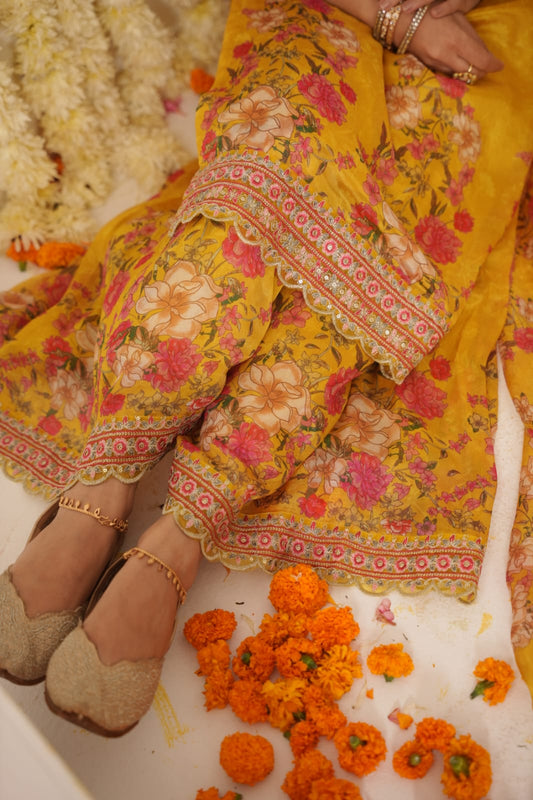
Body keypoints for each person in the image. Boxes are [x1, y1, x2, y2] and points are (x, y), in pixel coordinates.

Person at [0, 0, 532, 736]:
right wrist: (396, 18)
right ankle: (106, 478)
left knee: (405, 220)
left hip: (498, 28)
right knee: (272, 146)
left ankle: (185, 529)